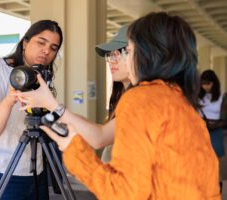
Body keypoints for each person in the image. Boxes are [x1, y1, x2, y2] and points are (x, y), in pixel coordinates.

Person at [38, 12, 221, 199]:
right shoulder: (182, 103)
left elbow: (125, 193)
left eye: (128, 51)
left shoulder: (141, 99)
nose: (121, 59)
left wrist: (73, 149)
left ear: (149, 54)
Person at [0, 20, 63, 200]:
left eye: (53, 47)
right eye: (41, 42)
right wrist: (10, 99)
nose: (47, 51)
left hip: (34, 170)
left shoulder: (40, 79)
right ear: (25, 43)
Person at [16, 26, 131, 163]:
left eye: (121, 52)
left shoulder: (142, 99)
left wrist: (51, 104)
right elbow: (102, 130)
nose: (113, 59)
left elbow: (100, 138)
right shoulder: (123, 96)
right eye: (110, 54)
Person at [199, 69, 227, 193]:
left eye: (208, 84)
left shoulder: (222, 96)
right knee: (202, 160)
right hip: (201, 130)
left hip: (216, 131)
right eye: (203, 83)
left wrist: (212, 125)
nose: (205, 87)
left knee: (216, 162)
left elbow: (225, 119)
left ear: (214, 83)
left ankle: (217, 189)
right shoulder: (199, 96)